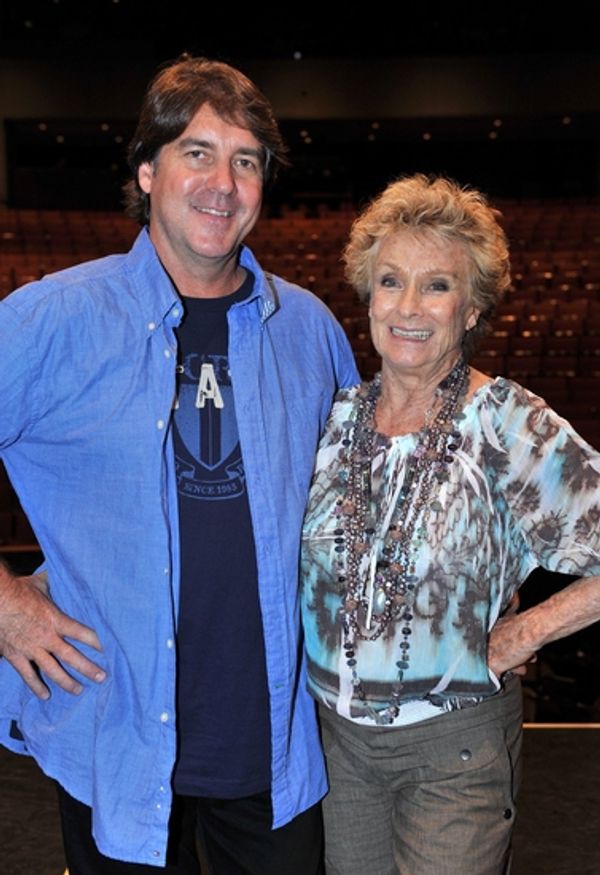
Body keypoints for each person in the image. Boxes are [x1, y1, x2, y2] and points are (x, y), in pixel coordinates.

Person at [0, 56, 359, 873]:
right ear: (146, 170)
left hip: (271, 749)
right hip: (118, 740)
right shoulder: (52, 319)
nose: (223, 182)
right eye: (197, 152)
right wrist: (5, 602)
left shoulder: (307, 330)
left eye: (247, 160)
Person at [300, 174, 600, 875]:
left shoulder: (505, 420)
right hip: (336, 746)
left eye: (436, 285)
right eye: (391, 281)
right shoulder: (332, 417)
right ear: (367, 294)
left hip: (455, 746)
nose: (409, 307)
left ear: (470, 309)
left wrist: (518, 634)